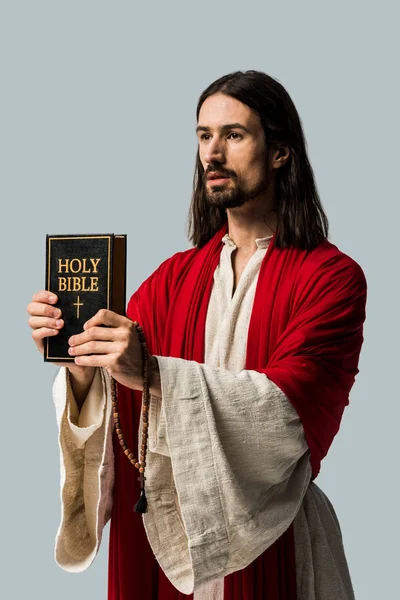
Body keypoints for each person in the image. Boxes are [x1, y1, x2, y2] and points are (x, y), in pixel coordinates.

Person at [27, 70, 367, 600]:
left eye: (233, 135)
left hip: (273, 539)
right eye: (204, 136)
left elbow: (287, 412)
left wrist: (155, 373)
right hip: (169, 543)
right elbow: (123, 414)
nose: (212, 153)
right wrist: (82, 364)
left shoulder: (331, 278)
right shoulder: (169, 280)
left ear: (279, 151)